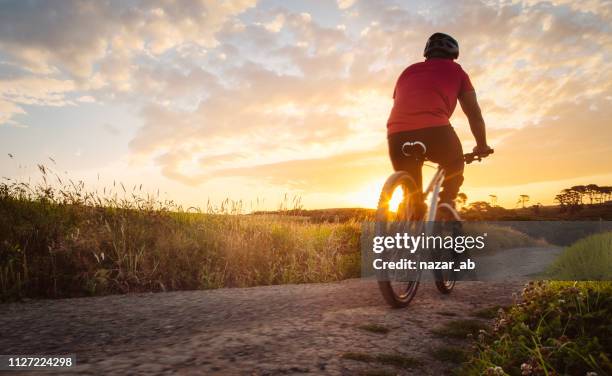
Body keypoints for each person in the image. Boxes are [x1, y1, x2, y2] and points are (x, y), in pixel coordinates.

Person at [386, 32, 492, 212]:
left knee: (413, 197)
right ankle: (446, 203)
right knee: (455, 162)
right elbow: (474, 114)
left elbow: (399, 101)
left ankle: (413, 212)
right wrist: (481, 145)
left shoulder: (407, 71)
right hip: (435, 130)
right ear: (453, 54)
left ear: (427, 53)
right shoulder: (457, 71)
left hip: (396, 135)